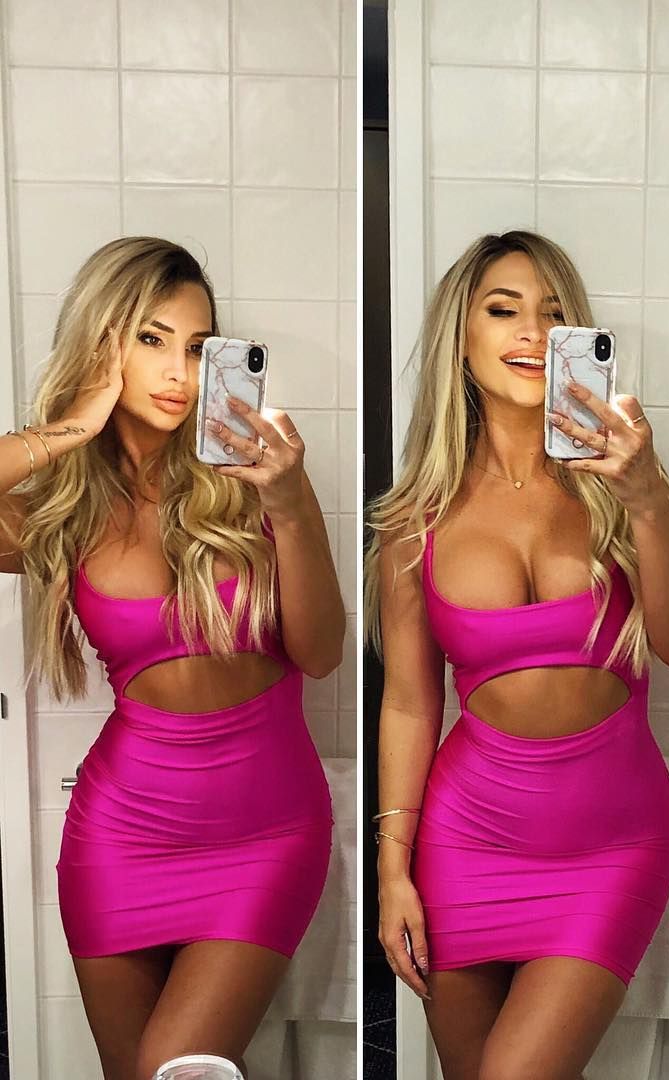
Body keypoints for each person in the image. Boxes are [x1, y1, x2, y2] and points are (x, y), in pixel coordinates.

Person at [364, 230, 669, 1080]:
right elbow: (409, 704)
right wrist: (392, 870)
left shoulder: (623, 483)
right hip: (464, 842)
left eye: (554, 314)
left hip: (610, 847)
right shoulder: (415, 521)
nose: (531, 331)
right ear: (461, 338)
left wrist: (648, 497)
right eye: (503, 309)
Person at [0, 237, 344, 1080]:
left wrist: (291, 505)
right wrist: (67, 429)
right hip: (120, 836)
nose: (178, 372)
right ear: (101, 344)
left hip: (264, 834)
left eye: (197, 347)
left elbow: (322, 652)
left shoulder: (253, 480)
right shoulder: (65, 509)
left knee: (176, 1066)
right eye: (151, 340)